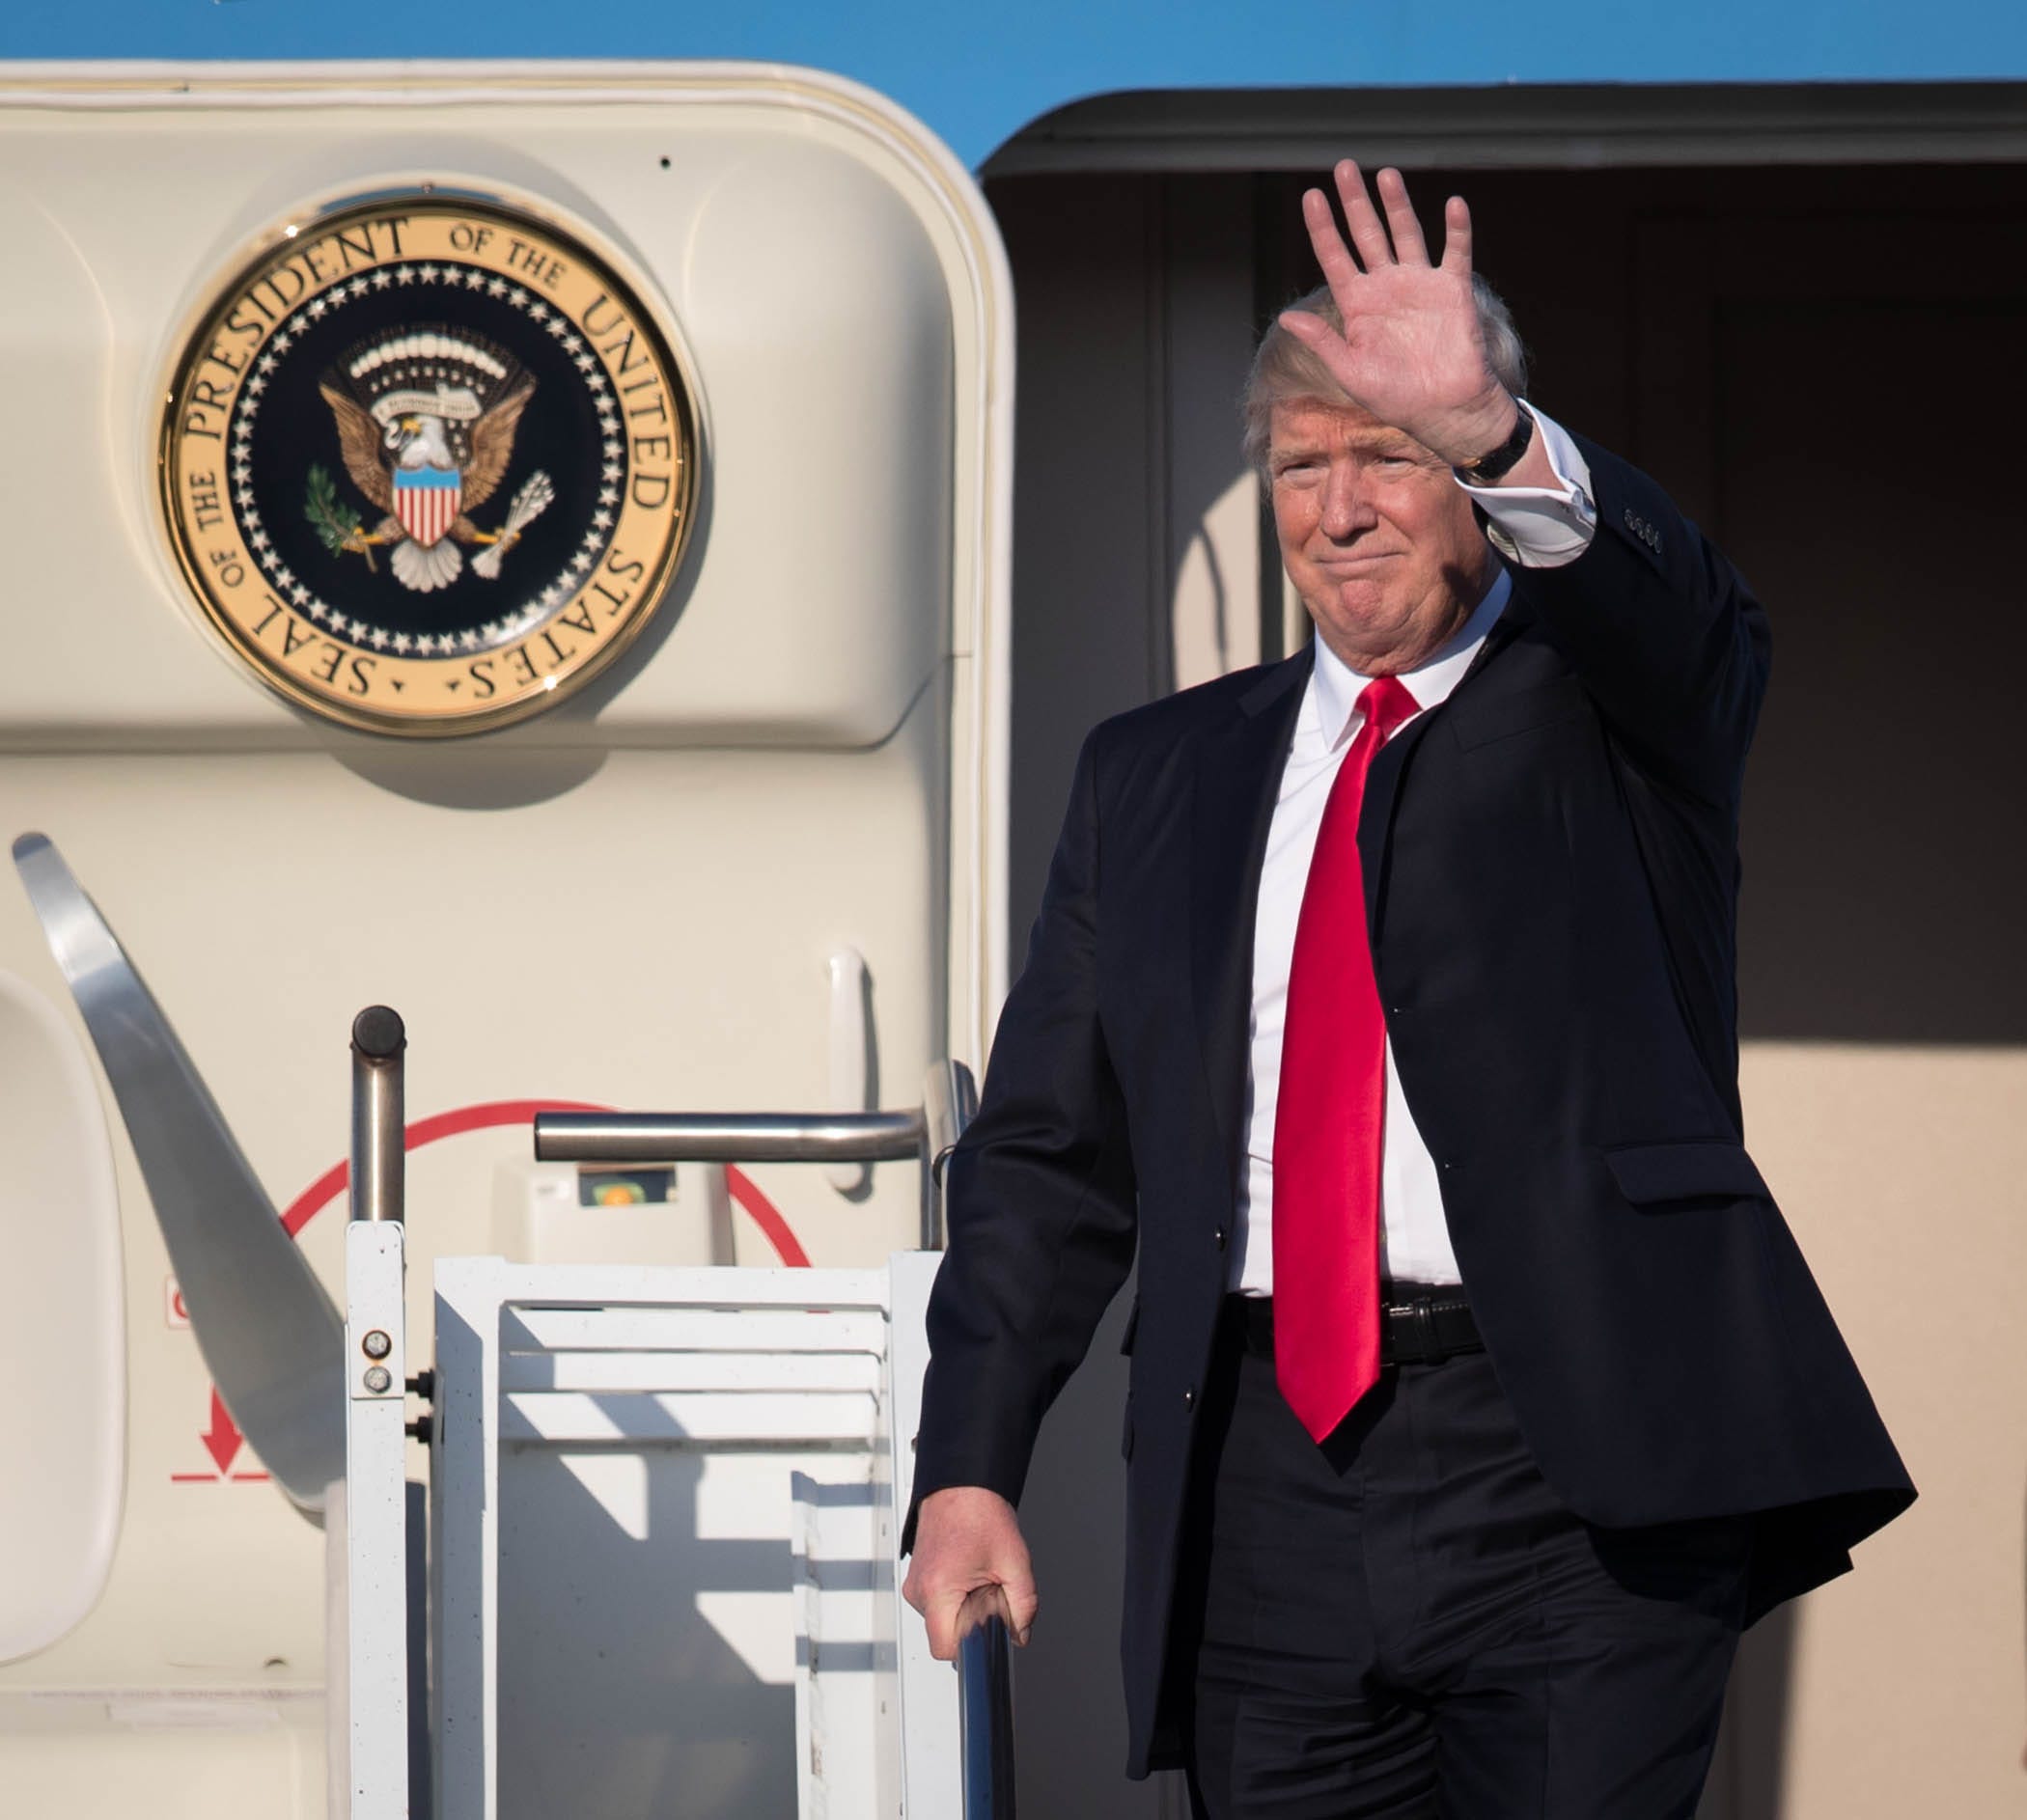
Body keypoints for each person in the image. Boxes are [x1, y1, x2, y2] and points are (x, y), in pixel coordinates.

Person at [902, 162, 1912, 1818]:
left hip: (1572, 1470)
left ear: (1466, 483)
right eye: (1302, 463)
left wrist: (1495, 424)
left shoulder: (1610, 710)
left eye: (1389, 452)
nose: (1341, 503)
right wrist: (968, 1463)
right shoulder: (1154, 776)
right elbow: (1045, 1163)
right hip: (1266, 1488)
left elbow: (1695, 629)